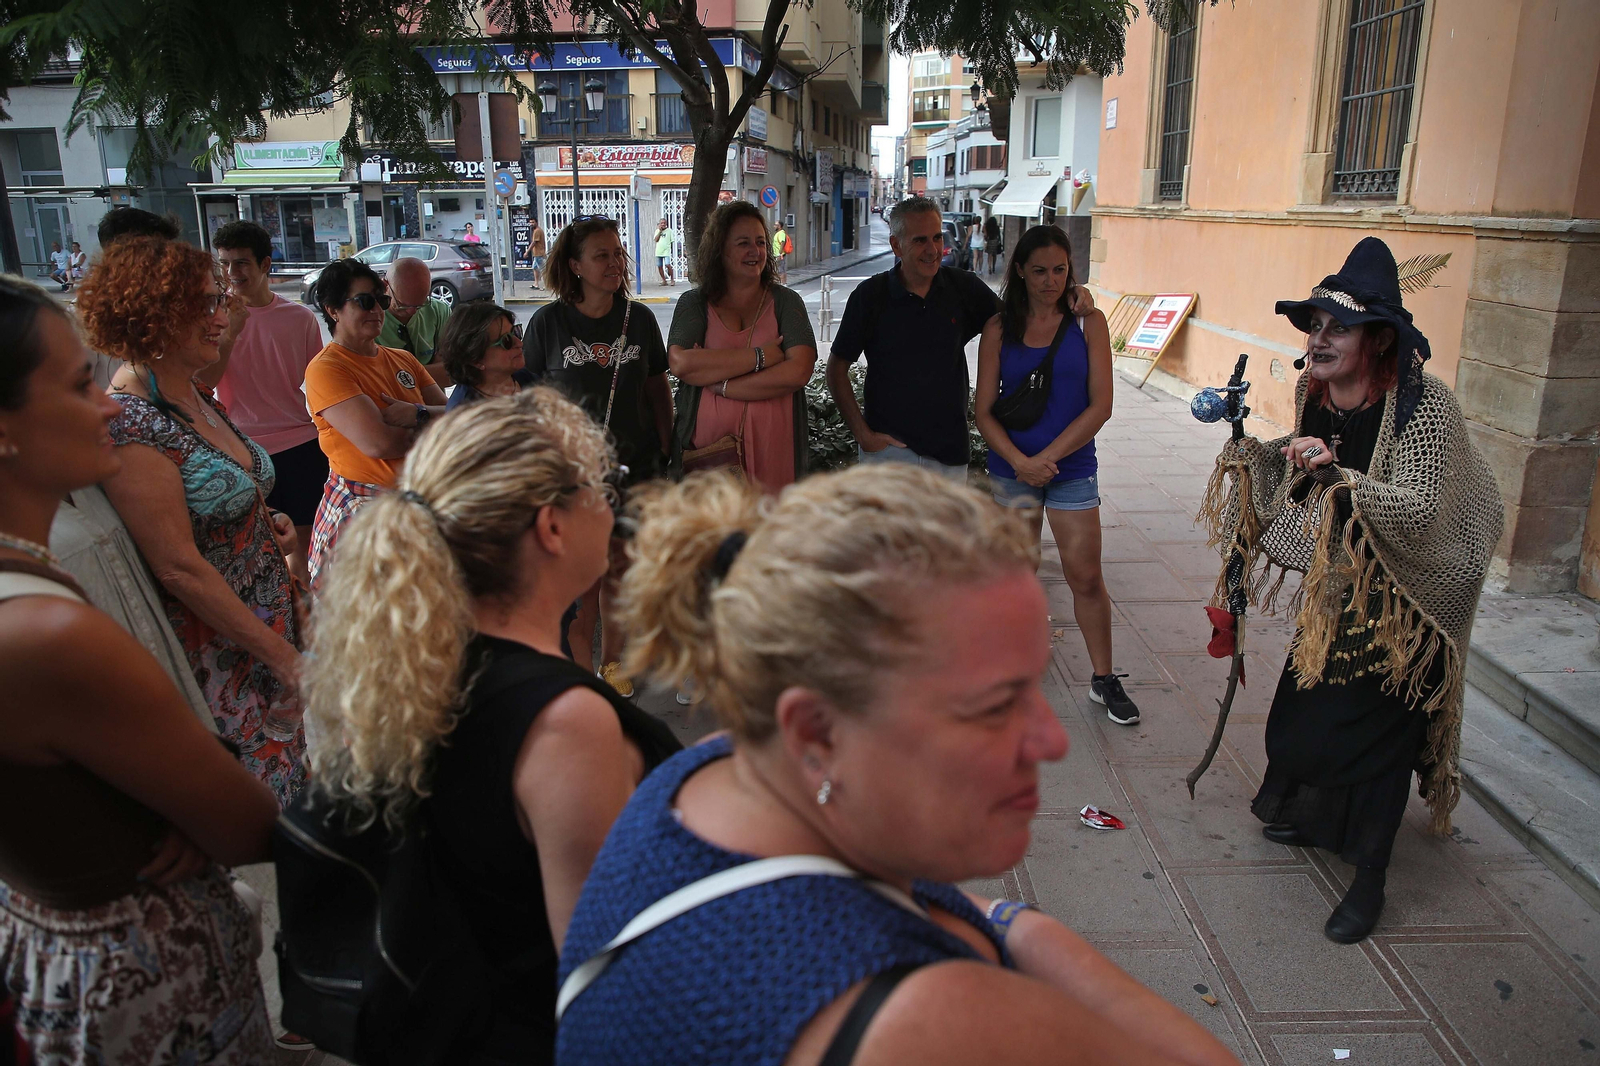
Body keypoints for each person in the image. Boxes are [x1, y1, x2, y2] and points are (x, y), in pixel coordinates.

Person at [555, 465, 1240, 1066]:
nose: (1051, 741)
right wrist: (1007, 933)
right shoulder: (924, 1020)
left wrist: (1006, 927)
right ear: (815, 730)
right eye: (993, 706)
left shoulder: (708, 776)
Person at [303, 389, 681, 1063]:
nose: (612, 506)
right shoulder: (567, 724)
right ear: (552, 527)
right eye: (602, 487)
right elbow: (604, 977)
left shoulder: (409, 661)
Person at [0, 275, 280, 1063]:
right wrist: (195, 810)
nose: (106, 404)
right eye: (74, 384)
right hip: (145, 983)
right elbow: (248, 822)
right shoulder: (48, 636)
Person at [1200, 237, 1503, 944]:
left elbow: (1423, 509)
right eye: (1315, 325)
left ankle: (1370, 881)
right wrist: (1260, 459)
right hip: (1353, 576)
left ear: (1377, 340)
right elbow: (1308, 485)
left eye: (1338, 326)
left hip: (1422, 588)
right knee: (1309, 713)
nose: (1320, 337)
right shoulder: (1319, 393)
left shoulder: (1423, 406)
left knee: (1380, 736)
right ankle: (1315, 820)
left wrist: (1338, 475)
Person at [79, 237, 308, 805]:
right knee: (254, 818)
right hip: (222, 660)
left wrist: (265, 517)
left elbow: (219, 496)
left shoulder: (196, 397)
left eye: (220, 299)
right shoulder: (130, 421)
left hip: (266, 640)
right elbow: (178, 566)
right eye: (203, 305)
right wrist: (286, 660)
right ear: (150, 315)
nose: (222, 313)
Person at [975, 225, 1138, 727]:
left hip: (1070, 469)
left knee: (1085, 576)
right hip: (1012, 469)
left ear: (1072, 271)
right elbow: (982, 411)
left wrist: (1047, 457)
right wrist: (1022, 463)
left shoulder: (1091, 324)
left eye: (1060, 270)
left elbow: (1101, 405)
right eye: (1040, 270)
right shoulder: (999, 329)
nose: (1050, 280)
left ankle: (1103, 678)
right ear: (1020, 270)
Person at [827, 196, 1090, 482]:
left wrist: (1069, 294)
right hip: (888, 455)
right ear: (896, 245)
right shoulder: (869, 297)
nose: (933, 250)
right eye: (920, 241)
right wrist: (863, 435)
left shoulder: (963, 288)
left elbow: (1022, 321)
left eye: (937, 238)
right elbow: (836, 368)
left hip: (948, 454)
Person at [522, 216, 673, 688]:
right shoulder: (547, 324)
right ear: (575, 266)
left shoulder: (640, 319)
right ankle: (579, 674)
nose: (614, 263)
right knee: (580, 577)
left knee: (621, 570)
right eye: (601, 255)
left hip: (634, 466)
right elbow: (527, 400)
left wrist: (667, 449)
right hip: (571, 476)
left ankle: (614, 663)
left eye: (618, 253)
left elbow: (656, 389)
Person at [303, 258, 448, 590]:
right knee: (365, 630)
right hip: (365, 514)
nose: (377, 310)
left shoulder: (404, 360)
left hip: (419, 507)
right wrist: (431, 424)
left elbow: (455, 418)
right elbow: (378, 444)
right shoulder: (327, 369)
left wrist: (417, 415)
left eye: (381, 301)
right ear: (333, 310)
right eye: (364, 301)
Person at [667, 200, 817, 494]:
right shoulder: (694, 303)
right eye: (743, 243)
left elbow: (798, 371)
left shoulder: (786, 302)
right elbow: (682, 364)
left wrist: (722, 386)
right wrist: (763, 357)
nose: (755, 251)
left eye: (760, 242)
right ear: (721, 250)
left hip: (775, 453)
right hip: (708, 456)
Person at [211, 220, 327, 573]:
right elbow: (202, 383)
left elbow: (316, 381)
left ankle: (301, 621)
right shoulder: (212, 319)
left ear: (265, 265)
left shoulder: (300, 318)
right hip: (237, 447)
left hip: (300, 447)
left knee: (302, 553)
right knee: (252, 554)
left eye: (242, 262)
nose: (232, 272)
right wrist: (229, 333)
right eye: (225, 263)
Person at [377, 256, 455, 386]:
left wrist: (396, 375)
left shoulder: (439, 310)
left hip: (434, 404)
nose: (412, 312)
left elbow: (450, 373)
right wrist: (431, 371)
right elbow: (374, 379)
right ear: (386, 286)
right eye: (403, 305)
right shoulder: (371, 318)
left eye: (420, 304)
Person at [441, 302, 529, 410]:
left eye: (516, 332)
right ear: (475, 360)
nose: (519, 343)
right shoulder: (464, 413)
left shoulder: (528, 380)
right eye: (506, 341)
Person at [654, 217, 676, 286]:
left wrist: (670, 250)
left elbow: (672, 241)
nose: (663, 224)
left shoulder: (669, 231)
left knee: (667, 264)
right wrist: (660, 231)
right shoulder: (657, 231)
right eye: (661, 223)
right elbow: (656, 240)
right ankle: (664, 280)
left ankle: (672, 279)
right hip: (659, 251)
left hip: (666, 251)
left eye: (664, 223)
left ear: (666, 223)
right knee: (659, 266)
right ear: (659, 224)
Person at [531, 219, 548, 290]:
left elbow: (534, 242)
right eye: (530, 222)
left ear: (536, 223)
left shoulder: (537, 231)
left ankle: (547, 285)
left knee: (543, 270)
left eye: (533, 222)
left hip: (539, 254)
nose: (531, 224)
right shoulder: (536, 231)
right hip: (536, 254)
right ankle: (536, 284)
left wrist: (527, 252)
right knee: (535, 268)